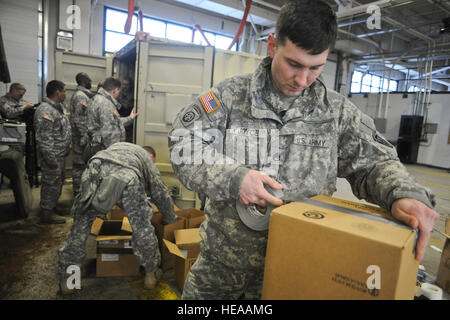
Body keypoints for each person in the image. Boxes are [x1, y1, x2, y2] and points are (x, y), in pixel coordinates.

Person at [168, 0, 440, 300]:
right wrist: (235, 178)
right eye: (294, 64)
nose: (302, 80)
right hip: (221, 272)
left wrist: (402, 193)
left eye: (315, 68)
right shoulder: (229, 97)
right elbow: (185, 143)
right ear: (272, 46)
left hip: (300, 268)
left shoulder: (336, 112)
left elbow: (374, 163)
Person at [57, 142, 178, 294]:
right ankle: (151, 275)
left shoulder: (117, 147)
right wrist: (170, 218)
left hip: (94, 171)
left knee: (79, 229)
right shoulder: (147, 161)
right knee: (142, 229)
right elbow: (160, 193)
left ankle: (68, 280)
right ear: (151, 157)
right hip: (127, 180)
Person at [34, 80, 71, 224]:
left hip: (59, 155)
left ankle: (51, 208)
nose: (66, 94)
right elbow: (44, 138)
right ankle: (46, 214)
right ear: (58, 93)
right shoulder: (45, 110)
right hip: (53, 156)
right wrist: (51, 159)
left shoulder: (57, 108)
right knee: (51, 184)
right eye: (65, 91)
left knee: (56, 184)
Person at [84, 77, 137, 160]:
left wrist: (130, 118)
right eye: (118, 92)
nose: (118, 94)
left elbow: (114, 122)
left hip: (96, 147)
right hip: (105, 152)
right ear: (115, 90)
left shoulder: (96, 98)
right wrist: (114, 154)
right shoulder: (106, 104)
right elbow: (109, 133)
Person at [69, 72, 95, 196]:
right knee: (79, 166)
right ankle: (78, 194)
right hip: (81, 139)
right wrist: (85, 138)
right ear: (84, 81)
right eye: (89, 80)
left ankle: (80, 192)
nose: (91, 82)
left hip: (80, 137)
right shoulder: (81, 96)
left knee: (81, 166)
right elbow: (79, 119)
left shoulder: (83, 95)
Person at [117, 77, 135, 143]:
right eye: (124, 84)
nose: (125, 86)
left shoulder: (133, 95)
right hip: (121, 120)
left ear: (130, 85)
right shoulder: (118, 94)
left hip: (130, 122)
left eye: (127, 85)